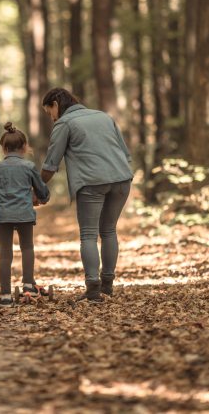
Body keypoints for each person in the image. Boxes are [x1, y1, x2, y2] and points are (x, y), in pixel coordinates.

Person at [39, 88, 133, 302]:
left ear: (56, 104)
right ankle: (107, 286)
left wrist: (36, 189)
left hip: (91, 183)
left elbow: (51, 164)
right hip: (122, 180)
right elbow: (125, 154)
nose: (51, 118)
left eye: (49, 112)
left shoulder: (64, 123)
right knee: (109, 231)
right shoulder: (104, 117)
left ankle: (93, 290)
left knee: (89, 235)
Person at [0, 122, 50, 307]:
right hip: (24, 213)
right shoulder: (29, 166)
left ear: (4, 148)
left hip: (3, 215)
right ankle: (28, 285)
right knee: (27, 248)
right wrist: (41, 198)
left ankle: (5, 296)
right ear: (24, 146)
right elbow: (42, 191)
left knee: (5, 254)